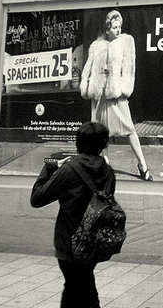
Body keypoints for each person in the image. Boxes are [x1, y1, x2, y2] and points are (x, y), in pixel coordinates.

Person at [30, 122, 116, 308]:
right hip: (94, 242)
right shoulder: (108, 172)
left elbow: (37, 198)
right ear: (103, 143)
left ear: (79, 142)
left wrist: (50, 167)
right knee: (74, 288)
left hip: (69, 244)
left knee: (86, 294)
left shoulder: (70, 170)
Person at [80, 10, 153, 181]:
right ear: (107, 29)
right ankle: (105, 165)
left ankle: (143, 165)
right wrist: (88, 86)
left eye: (119, 27)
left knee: (130, 130)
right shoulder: (96, 46)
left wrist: (121, 87)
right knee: (99, 133)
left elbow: (129, 69)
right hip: (100, 96)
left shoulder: (126, 42)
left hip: (116, 94)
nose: (118, 30)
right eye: (114, 27)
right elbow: (88, 69)